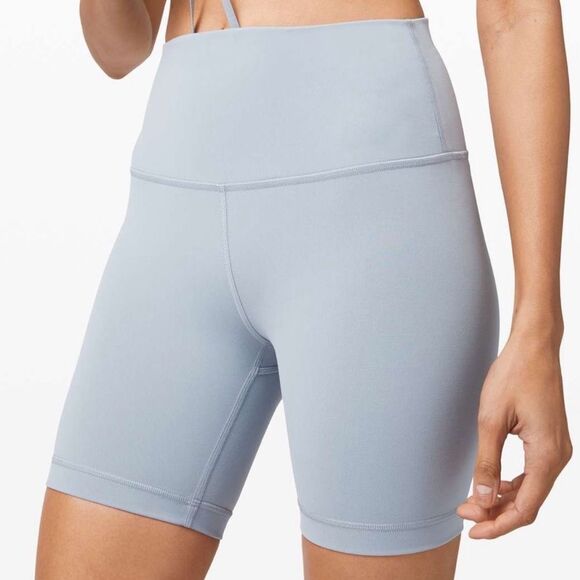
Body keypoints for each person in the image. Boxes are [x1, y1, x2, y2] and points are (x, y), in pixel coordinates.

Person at [35, 1, 572, 579]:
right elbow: (119, 50)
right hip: (173, 207)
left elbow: (517, 14)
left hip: (374, 210)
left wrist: (538, 331)